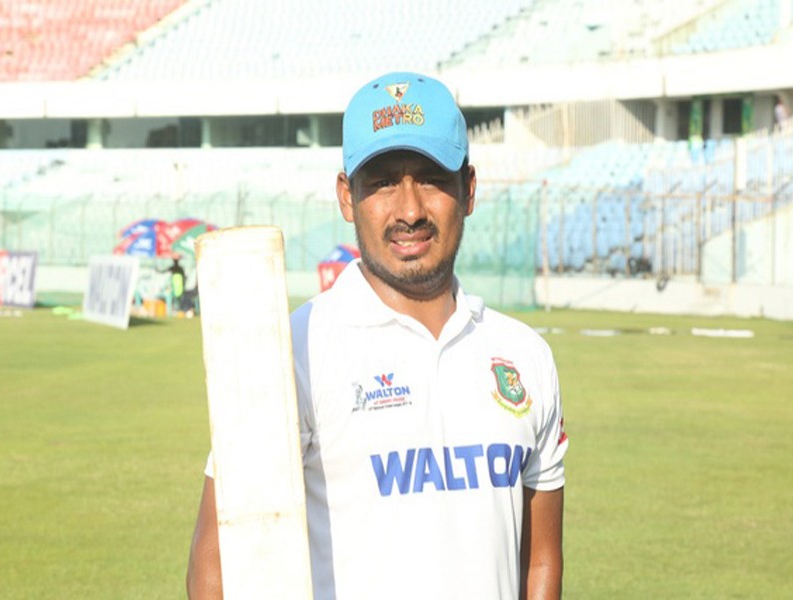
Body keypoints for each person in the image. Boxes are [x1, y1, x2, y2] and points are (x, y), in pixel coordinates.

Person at [186, 71, 569, 600]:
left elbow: (542, 561)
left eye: (432, 178)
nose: (409, 210)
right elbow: (216, 574)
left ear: (469, 189)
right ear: (347, 197)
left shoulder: (525, 356)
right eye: (383, 181)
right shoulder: (290, 351)